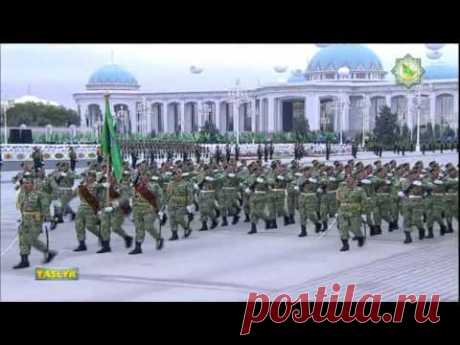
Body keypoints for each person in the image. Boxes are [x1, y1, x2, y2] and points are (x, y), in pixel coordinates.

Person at [13, 174, 57, 269]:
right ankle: (24, 260)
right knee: (23, 240)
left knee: (31, 239)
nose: (25, 185)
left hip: (35, 221)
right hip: (25, 220)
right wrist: (22, 217)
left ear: (33, 184)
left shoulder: (40, 195)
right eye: (24, 183)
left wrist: (50, 219)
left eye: (28, 183)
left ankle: (48, 252)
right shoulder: (22, 193)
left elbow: (45, 208)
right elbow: (21, 206)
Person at [336, 174, 367, 251]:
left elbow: (364, 201)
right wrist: (337, 210)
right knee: (343, 228)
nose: (348, 180)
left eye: (350, 179)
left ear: (354, 180)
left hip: (355, 212)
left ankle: (360, 237)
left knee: (355, 228)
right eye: (347, 178)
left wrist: (363, 213)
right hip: (343, 212)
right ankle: (345, 245)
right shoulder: (340, 189)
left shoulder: (360, 190)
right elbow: (337, 200)